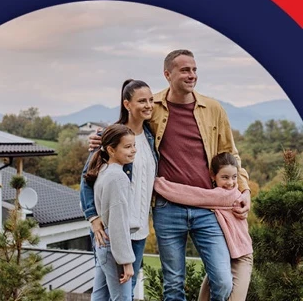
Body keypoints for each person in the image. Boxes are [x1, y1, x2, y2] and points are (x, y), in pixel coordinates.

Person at [89, 49, 252, 301]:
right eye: (185, 70)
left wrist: (245, 190)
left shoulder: (213, 109)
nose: (192, 75)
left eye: (194, 69)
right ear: (167, 74)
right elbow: (127, 127)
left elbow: (230, 153)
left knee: (222, 278)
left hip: (206, 207)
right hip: (167, 208)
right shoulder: (152, 105)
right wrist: (100, 137)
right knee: (173, 284)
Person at [79, 79, 157, 300]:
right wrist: (93, 218)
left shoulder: (151, 137)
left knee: (104, 293)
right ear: (127, 104)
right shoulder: (110, 139)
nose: (149, 105)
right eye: (142, 101)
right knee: (123, 293)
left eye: (151, 100)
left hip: (139, 229)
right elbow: (87, 181)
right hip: (114, 231)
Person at [153, 153, 253, 301]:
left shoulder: (230, 196)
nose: (231, 183)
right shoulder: (217, 194)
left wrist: (159, 184)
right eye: (225, 177)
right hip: (227, 252)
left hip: (241, 256)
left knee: (226, 288)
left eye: (234, 177)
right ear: (213, 176)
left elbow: (191, 195)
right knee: (215, 284)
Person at [84, 124, 139, 301]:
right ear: (111, 149)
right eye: (127, 146)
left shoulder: (104, 170)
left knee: (99, 296)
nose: (133, 151)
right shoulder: (118, 177)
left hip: (104, 244)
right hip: (113, 245)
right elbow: (118, 222)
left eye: (134, 145)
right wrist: (126, 262)